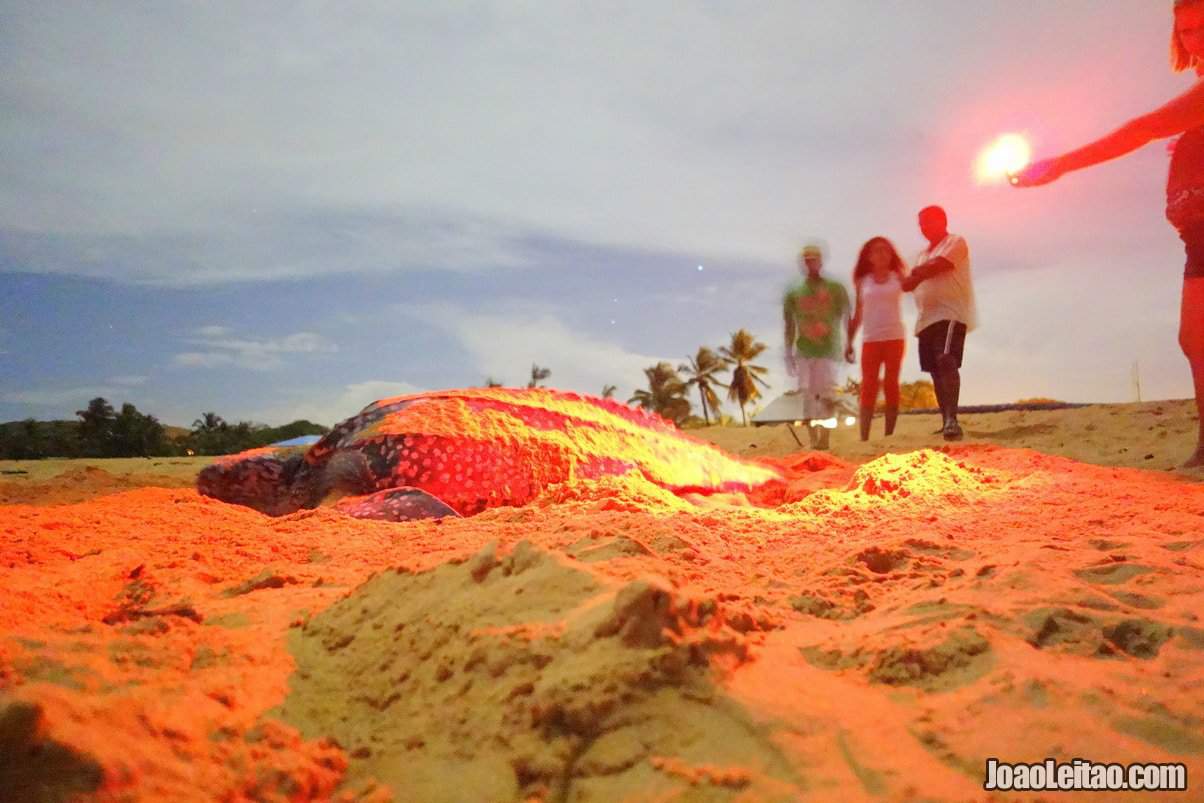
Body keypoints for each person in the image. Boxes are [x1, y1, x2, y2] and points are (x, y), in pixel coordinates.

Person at [1012, 0, 1204, 468]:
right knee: (1193, 338)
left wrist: (1059, 164)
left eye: (1202, 27)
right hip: (1195, 238)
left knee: (1196, 336)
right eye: (1186, 31)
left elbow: (1143, 128)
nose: (1195, 39)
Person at [900, 206, 977, 441]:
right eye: (921, 223)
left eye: (929, 222)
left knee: (946, 359)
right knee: (934, 370)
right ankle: (945, 419)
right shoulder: (921, 254)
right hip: (926, 318)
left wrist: (917, 272)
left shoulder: (955, 242)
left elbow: (939, 265)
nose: (924, 227)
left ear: (942, 220)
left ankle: (953, 418)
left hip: (950, 313)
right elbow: (907, 284)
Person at [783, 242, 852, 450]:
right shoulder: (794, 292)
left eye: (814, 259)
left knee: (828, 395)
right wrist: (788, 352)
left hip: (828, 350)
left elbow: (847, 317)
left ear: (821, 261)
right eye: (807, 260)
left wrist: (849, 343)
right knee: (808, 396)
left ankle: (825, 439)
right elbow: (789, 324)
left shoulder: (835, 289)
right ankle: (813, 440)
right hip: (804, 350)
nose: (810, 263)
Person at [846, 237, 908, 441]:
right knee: (869, 385)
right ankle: (864, 437)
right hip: (870, 338)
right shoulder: (863, 282)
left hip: (894, 337)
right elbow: (858, 313)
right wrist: (849, 341)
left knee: (891, 383)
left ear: (891, 255)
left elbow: (916, 286)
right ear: (869, 257)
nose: (881, 254)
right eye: (877, 251)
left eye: (885, 251)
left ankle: (889, 434)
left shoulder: (897, 277)